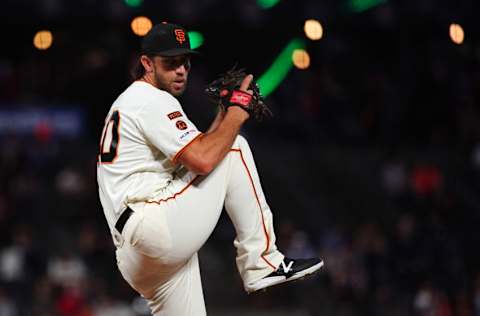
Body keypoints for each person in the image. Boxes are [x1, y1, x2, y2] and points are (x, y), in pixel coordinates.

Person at [96, 22, 324, 315]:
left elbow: (203, 150)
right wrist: (237, 113)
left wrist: (223, 115)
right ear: (147, 63)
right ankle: (261, 262)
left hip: (138, 253)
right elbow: (205, 159)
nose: (181, 70)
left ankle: (260, 263)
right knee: (235, 148)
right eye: (171, 62)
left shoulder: (134, 101)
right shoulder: (151, 99)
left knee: (224, 148)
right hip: (152, 227)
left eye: (185, 62)